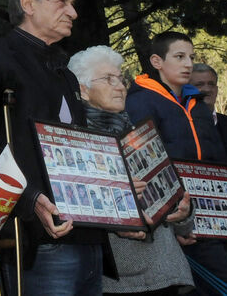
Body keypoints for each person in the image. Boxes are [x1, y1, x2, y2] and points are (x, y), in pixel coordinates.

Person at [0, 0, 107, 295]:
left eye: (73, 3)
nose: (74, 12)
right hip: (33, 238)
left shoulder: (65, 72)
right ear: (28, 3)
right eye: (62, 2)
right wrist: (30, 199)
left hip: (88, 235)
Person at [125, 31, 227, 294]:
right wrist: (176, 218)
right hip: (173, 223)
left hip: (214, 218)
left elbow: (219, 160)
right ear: (157, 61)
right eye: (179, 57)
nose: (188, 64)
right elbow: (142, 165)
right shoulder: (139, 101)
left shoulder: (196, 104)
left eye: (191, 57)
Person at [67, 45, 195, 295]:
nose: (120, 86)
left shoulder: (141, 133)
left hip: (169, 269)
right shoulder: (74, 140)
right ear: (83, 89)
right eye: (108, 79)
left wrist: (184, 214)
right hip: (125, 278)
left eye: (121, 78)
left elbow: (171, 189)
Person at [190, 63, 227, 182]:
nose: (206, 89)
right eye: (199, 84)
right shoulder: (180, 125)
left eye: (211, 84)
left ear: (216, 89)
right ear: (186, 89)